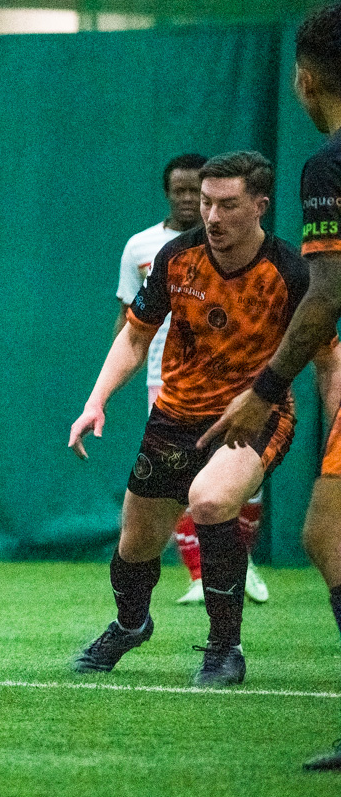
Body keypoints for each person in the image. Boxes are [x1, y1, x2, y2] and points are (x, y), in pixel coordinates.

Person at [68, 151, 315, 688]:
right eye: (206, 203)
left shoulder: (291, 271)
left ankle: (225, 650)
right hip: (175, 414)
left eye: (228, 205)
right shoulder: (176, 258)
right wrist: (96, 401)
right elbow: (135, 336)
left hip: (255, 415)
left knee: (210, 501)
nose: (212, 217)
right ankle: (130, 625)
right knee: (135, 543)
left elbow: (330, 358)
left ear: (260, 206)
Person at [198, 2, 341, 768]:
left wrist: (265, 387)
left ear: (305, 80)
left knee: (326, 535)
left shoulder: (329, 164)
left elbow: (327, 295)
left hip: (272, 386)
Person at [114, 154, 269, 606]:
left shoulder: (246, 251)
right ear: (168, 194)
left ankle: (239, 561)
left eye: (194, 191)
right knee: (182, 479)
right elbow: (129, 322)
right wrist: (109, 384)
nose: (188, 200)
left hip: (238, 381)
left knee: (241, 482)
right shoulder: (143, 247)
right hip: (166, 381)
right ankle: (201, 574)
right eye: (181, 192)